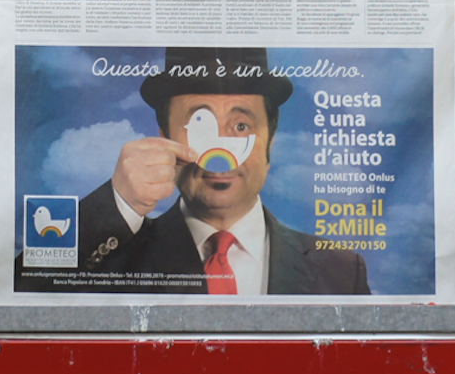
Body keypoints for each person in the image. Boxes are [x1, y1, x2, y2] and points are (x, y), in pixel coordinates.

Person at [20, 47, 368, 295]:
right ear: (164, 138)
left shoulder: (342, 270)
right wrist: (116, 204)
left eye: (241, 126)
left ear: (270, 142)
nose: (222, 155)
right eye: (199, 125)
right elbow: (20, 292)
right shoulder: (114, 256)